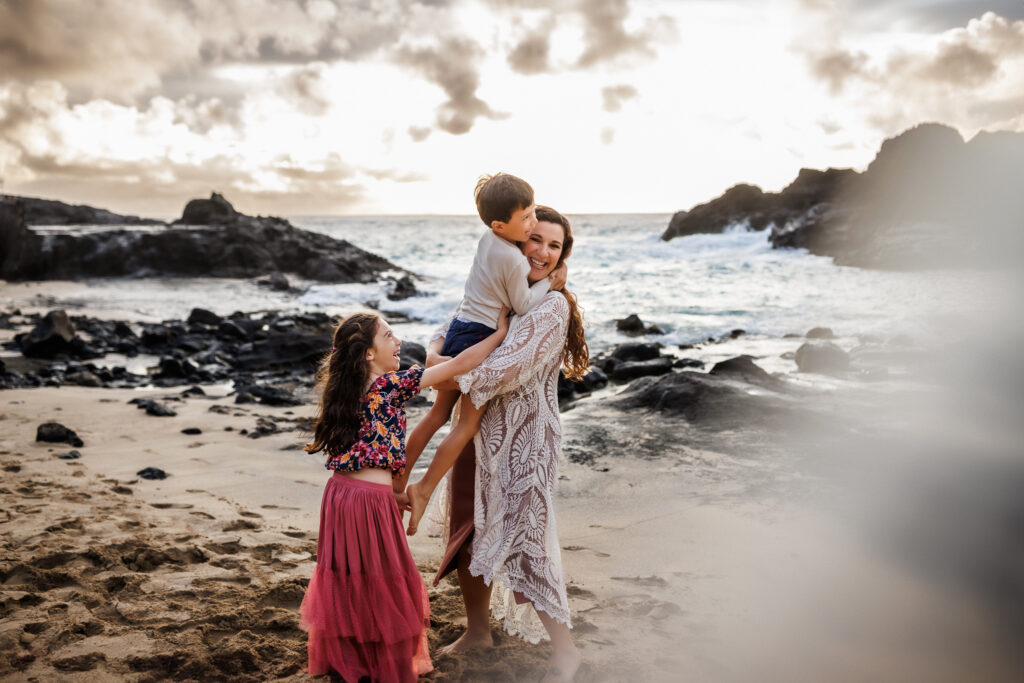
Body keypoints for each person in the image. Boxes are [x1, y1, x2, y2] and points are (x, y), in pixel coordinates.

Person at [422, 206, 589, 683]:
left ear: (562, 257)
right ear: (518, 241)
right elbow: (457, 320)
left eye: (554, 245)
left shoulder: (552, 308)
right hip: (473, 433)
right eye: (535, 239)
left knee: (527, 539)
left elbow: (504, 368)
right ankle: (478, 630)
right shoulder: (506, 290)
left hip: (522, 442)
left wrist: (438, 371)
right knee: (466, 529)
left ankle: (566, 649)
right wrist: (438, 348)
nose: (542, 250)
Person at [299, 307, 510, 682]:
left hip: (341, 496)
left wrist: (389, 494)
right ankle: (379, 664)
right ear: (367, 353)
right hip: (367, 503)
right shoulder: (387, 385)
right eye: (389, 336)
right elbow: (459, 365)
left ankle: (347, 659)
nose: (398, 343)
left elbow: (360, 457)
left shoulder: (347, 392)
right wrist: (500, 332)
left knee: (348, 577)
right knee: (384, 579)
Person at [400, 173, 565, 534]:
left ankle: (399, 480)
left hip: (461, 327)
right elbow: (521, 305)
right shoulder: (515, 262)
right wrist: (550, 285)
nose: (532, 222)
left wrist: (436, 352)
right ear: (500, 224)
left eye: (534, 212)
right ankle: (424, 489)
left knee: (436, 414)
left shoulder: (488, 240)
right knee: (466, 424)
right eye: (527, 220)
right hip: (481, 335)